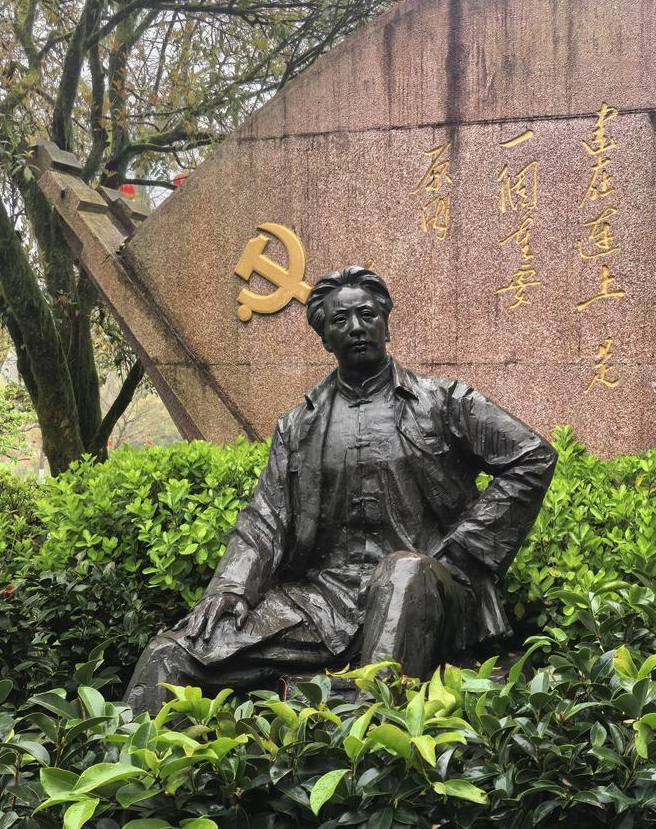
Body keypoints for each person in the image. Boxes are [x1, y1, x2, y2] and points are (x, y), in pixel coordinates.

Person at [125, 265, 556, 711]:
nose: (356, 327)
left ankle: (371, 733)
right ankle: (130, 757)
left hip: (428, 595)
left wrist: (462, 551)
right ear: (324, 339)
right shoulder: (298, 427)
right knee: (169, 655)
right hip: (324, 604)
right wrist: (231, 588)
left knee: (404, 572)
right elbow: (266, 519)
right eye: (340, 320)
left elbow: (533, 457)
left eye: (367, 315)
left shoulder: (441, 402)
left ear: (386, 323)